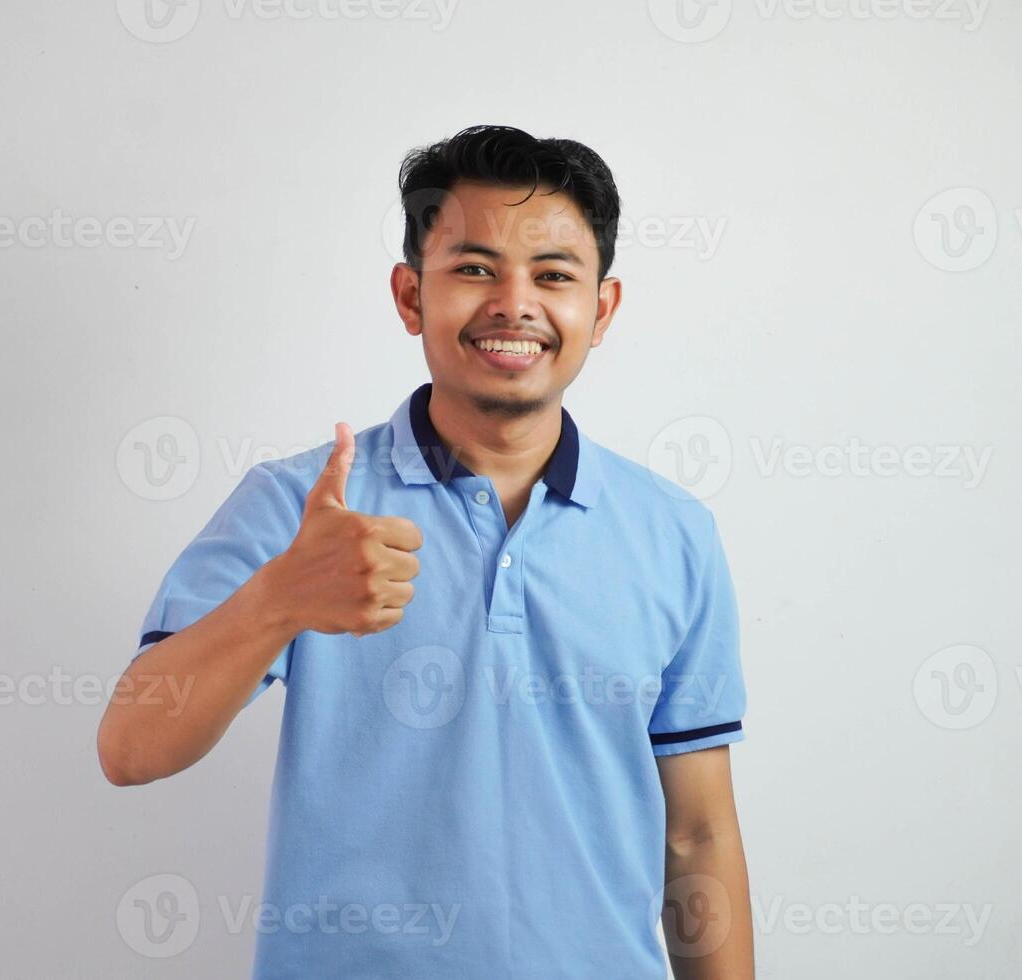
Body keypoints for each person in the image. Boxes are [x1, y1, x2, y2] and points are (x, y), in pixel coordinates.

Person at [97, 124, 754, 979]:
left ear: (603, 308)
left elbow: (697, 834)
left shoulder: (674, 533)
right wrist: (283, 598)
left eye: (553, 275)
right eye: (474, 268)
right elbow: (131, 749)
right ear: (411, 296)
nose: (513, 304)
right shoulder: (299, 507)